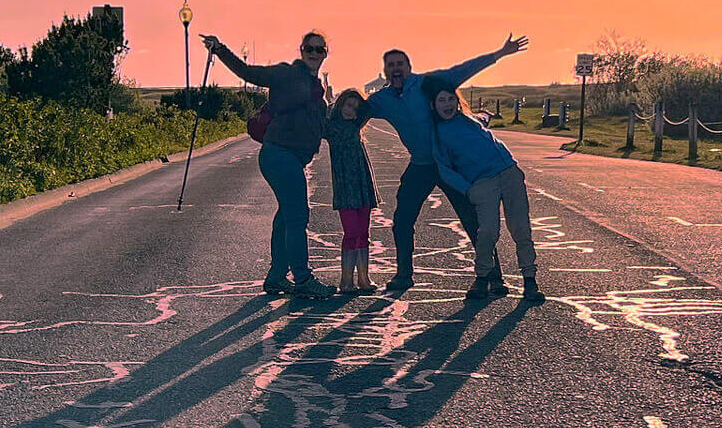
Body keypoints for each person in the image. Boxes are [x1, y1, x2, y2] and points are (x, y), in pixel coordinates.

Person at [363, 35, 530, 292]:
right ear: (385, 71)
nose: (396, 69)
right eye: (391, 65)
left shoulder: (428, 83)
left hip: (451, 165)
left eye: (401, 64)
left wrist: (499, 53)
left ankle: (493, 276)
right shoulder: (382, 100)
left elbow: (463, 69)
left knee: (472, 217)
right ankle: (404, 275)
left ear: (409, 67)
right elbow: (352, 110)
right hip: (420, 165)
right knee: (403, 219)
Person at [203, 30, 336, 299]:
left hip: (290, 158)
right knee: (298, 215)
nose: (313, 53)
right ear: (301, 50)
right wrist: (219, 49)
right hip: (279, 154)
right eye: (309, 48)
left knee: (286, 218)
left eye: (319, 49)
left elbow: (323, 128)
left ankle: (276, 276)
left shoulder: (316, 91)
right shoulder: (286, 74)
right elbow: (246, 72)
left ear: (325, 54)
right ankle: (302, 278)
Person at [420, 76, 544, 304]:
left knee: (521, 229)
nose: (447, 104)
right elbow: (444, 169)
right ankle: (482, 277)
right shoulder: (438, 134)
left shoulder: (470, 120)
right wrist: (468, 190)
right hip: (482, 183)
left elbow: (485, 118)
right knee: (487, 232)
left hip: (509, 172)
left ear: (457, 102)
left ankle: (530, 280)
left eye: (450, 99)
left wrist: (487, 115)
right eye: (441, 101)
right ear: (433, 106)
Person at [324, 90, 377, 293]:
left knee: (363, 233)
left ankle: (364, 278)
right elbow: (320, 113)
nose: (351, 110)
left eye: (355, 108)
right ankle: (346, 280)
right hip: (345, 186)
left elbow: (371, 107)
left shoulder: (357, 125)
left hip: (363, 184)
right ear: (340, 105)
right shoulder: (331, 127)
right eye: (348, 105)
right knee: (351, 232)